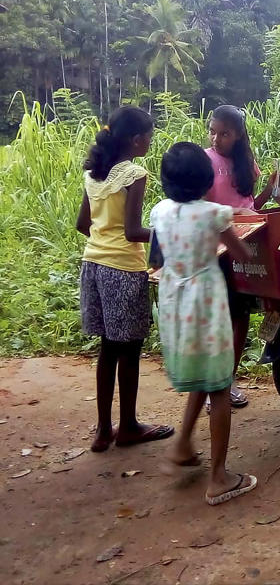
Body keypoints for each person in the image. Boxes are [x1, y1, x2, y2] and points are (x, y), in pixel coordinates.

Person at [151, 142, 258, 505]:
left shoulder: (160, 210)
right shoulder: (214, 214)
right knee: (220, 386)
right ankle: (219, 477)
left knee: (204, 373)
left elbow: (160, 253)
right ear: (205, 178)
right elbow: (241, 251)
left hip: (175, 304)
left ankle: (182, 444)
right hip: (207, 303)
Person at [75, 106, 174, 453]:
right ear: (136, 140)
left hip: (93, 265)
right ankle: (129, 425)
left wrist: (104, 236)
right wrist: (167, 234)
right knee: (129, 351)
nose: (150, 141)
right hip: (123, 269)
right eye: (149, 136)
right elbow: (133, 231)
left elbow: (82, 225)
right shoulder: (134, 173)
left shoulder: (94, 174)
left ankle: (104, 430)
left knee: (107, 349)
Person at [205, 104, 280, 408]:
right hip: (219, 248)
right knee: (223, 317)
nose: (216, 138)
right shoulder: (206, 160)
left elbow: (250, 204)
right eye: (213, 131)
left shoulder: (247, 163)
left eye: (224, 133)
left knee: (243, 315)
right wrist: (234, 212)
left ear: (239, 135)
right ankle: (215, 383)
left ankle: (229, 376)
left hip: (249, 245)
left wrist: (269, 189)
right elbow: (201, 207)